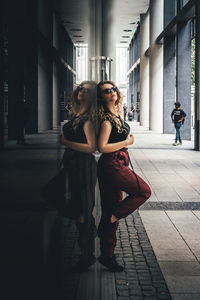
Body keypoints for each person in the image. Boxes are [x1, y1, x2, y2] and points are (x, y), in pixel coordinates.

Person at [97, 81, 151, 272]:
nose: (111, 92)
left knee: (111, 207)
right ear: (101, 96)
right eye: (106, 90)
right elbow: (101, 147)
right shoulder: (106, 120)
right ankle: (109, 220)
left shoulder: (117, 114)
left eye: (113, 89)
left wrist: (126, 142)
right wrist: (127, 142)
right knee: (144, 191)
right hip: (112, 164)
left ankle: (107, 255)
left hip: (117, 162)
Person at [60, 81, 97, 271]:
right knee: (78, 211)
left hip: (83, 167)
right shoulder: (76, 115)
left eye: (87, 90)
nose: (82, 91)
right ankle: (89, 232)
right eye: (81, 88)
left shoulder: (89, 119)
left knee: (82, 212)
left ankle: (87, 254)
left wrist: (66, 142)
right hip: (73, 166)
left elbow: (92, 148)